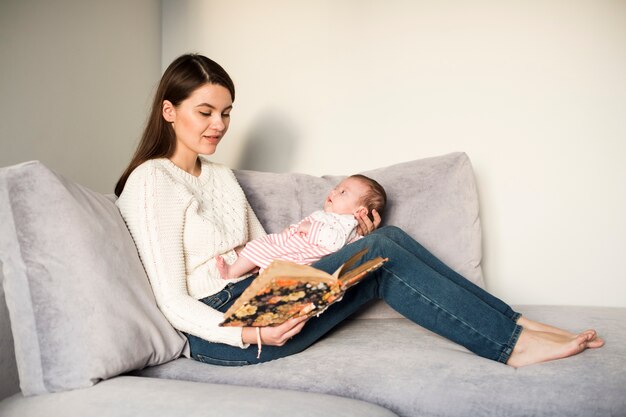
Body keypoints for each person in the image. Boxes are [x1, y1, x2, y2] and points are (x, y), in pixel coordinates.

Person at [114, 53, 603, 368]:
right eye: (205, 112)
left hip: (261, 295)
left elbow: (275, 254)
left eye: (226, 113)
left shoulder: (220, 176)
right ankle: (509, 346)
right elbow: (170, 300)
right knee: (382, 248)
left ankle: (511, 324)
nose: (219, 125)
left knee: (382, 245)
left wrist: (347, 241)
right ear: (169, 110)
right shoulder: (151, 180)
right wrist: (246, 331)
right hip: (221, 329)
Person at [216, 174, 386, 280]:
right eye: (336, 188)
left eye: (343, 192)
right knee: (259, 246)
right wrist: (293, 229)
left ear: (360, 211)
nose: (333, 192)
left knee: (261, 253)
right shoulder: (329, 215)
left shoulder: (348, 222)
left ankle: (233, 272)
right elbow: (307, 224)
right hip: (291, 245)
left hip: (303, 257)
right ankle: (248, 266)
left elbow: (335, 242)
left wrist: (310, 229)